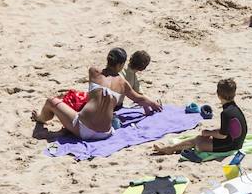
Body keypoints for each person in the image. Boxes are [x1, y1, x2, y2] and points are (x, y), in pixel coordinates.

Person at [32, 48, 161, 142]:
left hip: (83, 129)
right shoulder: (123, 84)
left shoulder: (93, 72)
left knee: (51, 101)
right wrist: (154, 104)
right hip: (106, 132)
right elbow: (140, 98)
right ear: (121, 64)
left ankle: (41, 119)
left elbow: (99, 83)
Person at [152, 78, 246, 157]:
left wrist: (209, 132)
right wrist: (210, 133)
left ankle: (170, 149)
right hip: (236, 141)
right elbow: (228, 129)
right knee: (199, 138)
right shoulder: (235, 109)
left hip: (232, 145)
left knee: (199, 144)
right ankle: (170, 148)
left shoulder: (225, 113)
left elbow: (223, 135)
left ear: (218, 94)